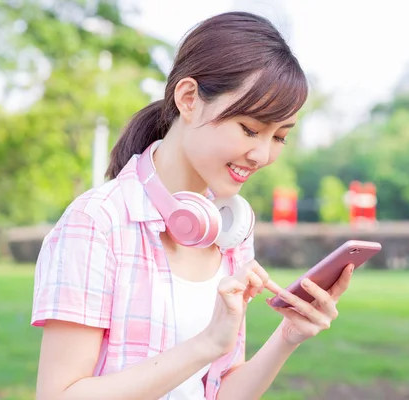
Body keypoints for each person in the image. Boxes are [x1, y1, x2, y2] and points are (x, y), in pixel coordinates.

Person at [31, 11, 354, 400]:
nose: (262, 154)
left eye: (279, 137)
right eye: (250, 129)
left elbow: (221, 389)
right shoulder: (97, 223)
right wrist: (204, 344)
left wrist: (288, 337)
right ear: (188, 99)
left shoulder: (230, 229)